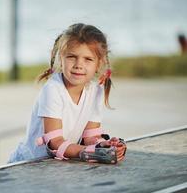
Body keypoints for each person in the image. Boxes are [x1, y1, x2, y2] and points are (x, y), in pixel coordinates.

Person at [8, 23, 126, 164]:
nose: (78, 65)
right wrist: (88, 152)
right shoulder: (53, 89)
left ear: (99, 64)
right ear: (61, 58)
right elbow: (54, 142)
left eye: (88, 59)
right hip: (29, 165)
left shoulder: (96, 91)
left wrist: (104, 146)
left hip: (58, 166)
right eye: (71, 57)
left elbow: (90, 137)